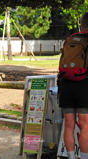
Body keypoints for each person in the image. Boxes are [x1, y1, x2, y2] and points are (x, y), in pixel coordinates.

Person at [59, 12, 88, 159]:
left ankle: (71, 157)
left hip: (66, 85)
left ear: (81, 24)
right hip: (84, 85)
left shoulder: (69, 39)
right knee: (85, 125)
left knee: (69, 124)